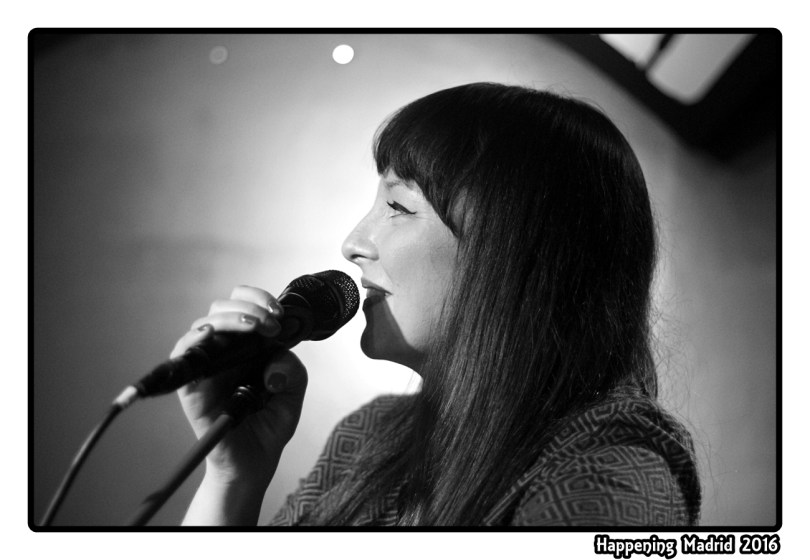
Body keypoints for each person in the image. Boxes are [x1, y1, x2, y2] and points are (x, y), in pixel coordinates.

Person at [175, 82, 701, 526]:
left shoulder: (609, 477)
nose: (352, 243)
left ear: (518, 252)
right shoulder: (368, 436)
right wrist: (232, 478)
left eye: (399, 206)